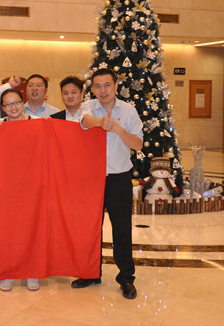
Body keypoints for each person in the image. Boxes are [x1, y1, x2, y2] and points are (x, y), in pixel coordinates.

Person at [72, 67, 143, 300]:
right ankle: (91, 273)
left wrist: (118, 129)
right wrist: (100, 122)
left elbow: (138, 144)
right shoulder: (88, 106)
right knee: (90, 228)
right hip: (90, 179)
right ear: (93, 88)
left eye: (107, 85)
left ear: (115, 86)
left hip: (119, 178)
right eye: (98, 86)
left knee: (122, 229)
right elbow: (84, 121)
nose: (103, 90)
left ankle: (126, 278)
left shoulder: (129, 111)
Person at [0, 88, 40, 292]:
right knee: (8, 230)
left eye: (16, 103)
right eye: (8, 104)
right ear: (3, 108)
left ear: (23, 103)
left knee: (31, 229)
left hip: (32, 186)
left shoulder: (38, 123)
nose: (13, 107)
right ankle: (8, 272)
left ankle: (32, 272)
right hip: (6, 188)